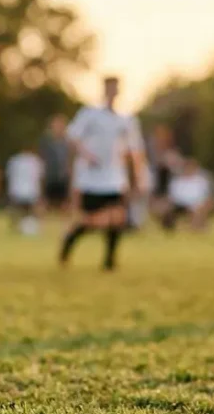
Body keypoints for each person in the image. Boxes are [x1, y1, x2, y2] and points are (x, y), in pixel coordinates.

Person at [59, 76, 148, 271]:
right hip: (91, 177)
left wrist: (139, 177)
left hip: (114, 177)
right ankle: (69, 241)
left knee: (118, 218)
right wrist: (86, 155)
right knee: (91, 220)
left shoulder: (126, 119)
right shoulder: (89, 114)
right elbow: (72, 137)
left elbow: (135, 151)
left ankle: (109, 260)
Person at [162, 158, 214, 232]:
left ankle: (197, 226)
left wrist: (196, 204)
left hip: (197, 204)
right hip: (179, 204)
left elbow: (205, 196)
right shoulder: (177, 181)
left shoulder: (201, 181)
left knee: (202, 206)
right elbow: (173, 196)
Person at [5, 147, 44, 235]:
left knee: (23, 210)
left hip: (21, 190)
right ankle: (19, 226)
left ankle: (18, 226)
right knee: (21, 210)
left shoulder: (15, 160)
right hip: (27, 190)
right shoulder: (34, 161)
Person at [39, 115, 72, 214]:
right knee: (46, 199)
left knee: (65, 201)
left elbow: (69, 158)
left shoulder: (67, 142)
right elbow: (42, 158)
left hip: (63, 175)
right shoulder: (46, 141)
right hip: (50, 175)